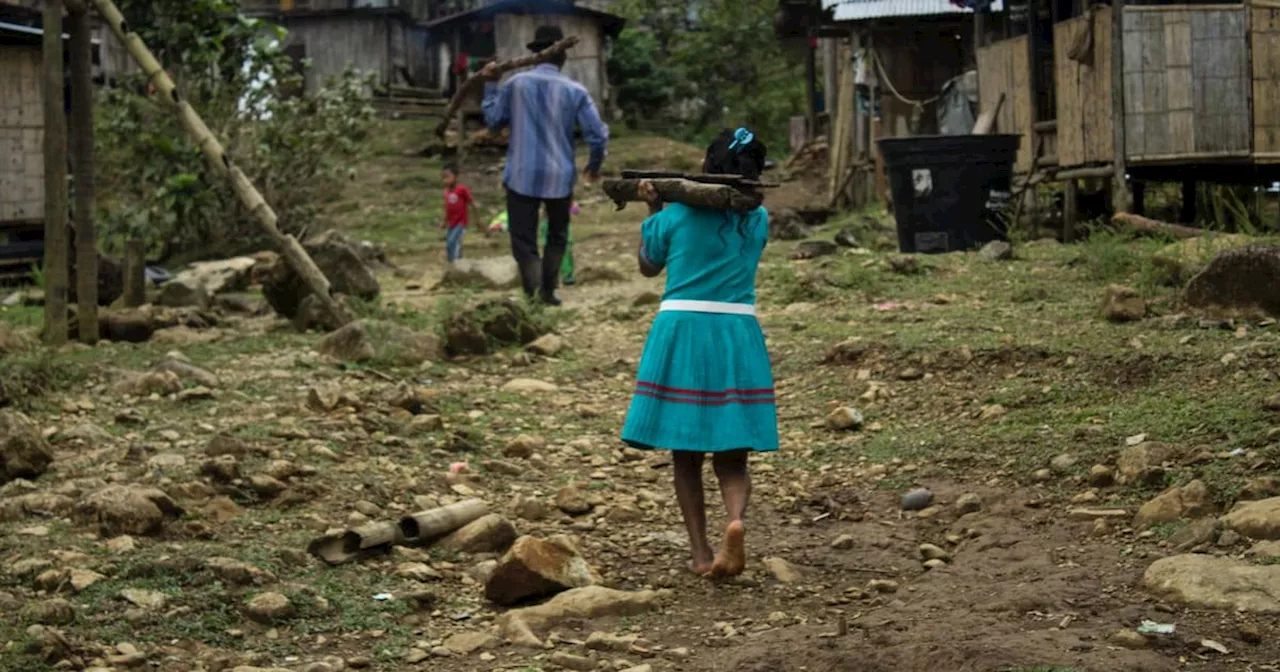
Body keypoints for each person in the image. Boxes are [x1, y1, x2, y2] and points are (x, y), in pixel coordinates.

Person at [620, 128, 777, 579]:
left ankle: (702, 553)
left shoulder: (678, 215)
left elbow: (649, 266)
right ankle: (736, 521)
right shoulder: (758, 220)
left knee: (685, 454)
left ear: (705, 169)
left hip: (682, 329)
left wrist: (654, 208)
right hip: (736, 330)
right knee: (733, 454)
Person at [479, 25, 609, 306]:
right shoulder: (576, 91)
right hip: (560, 177)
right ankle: (548, 293)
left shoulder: (515, 84)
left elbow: (492, 122)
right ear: (562, 57)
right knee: (557, 235)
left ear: (535, 56)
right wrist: (594, 166)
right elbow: (597, 136)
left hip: (521, 175)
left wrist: (489, 84)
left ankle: (533, 296)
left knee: (523, 240)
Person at [440, 163, 477, 264]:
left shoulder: (462, 189)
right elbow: (447, 208)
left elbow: (472, 203)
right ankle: (453, 262)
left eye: (448, 177)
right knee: (449, 243)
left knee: (453, 241)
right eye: (443, 177)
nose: (445, 180)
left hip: (461, 222)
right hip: (452, 223)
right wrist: (444, 221)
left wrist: (478, 219)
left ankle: (456, 264)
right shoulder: (446, 192)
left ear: (456, 176)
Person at [540, 201, 580, 286]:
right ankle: (561, 277)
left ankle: (566, 275)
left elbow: (575, 211)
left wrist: (573, 206)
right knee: (556, 252)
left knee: (567, 250)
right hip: (549, 223)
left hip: (561, 224)